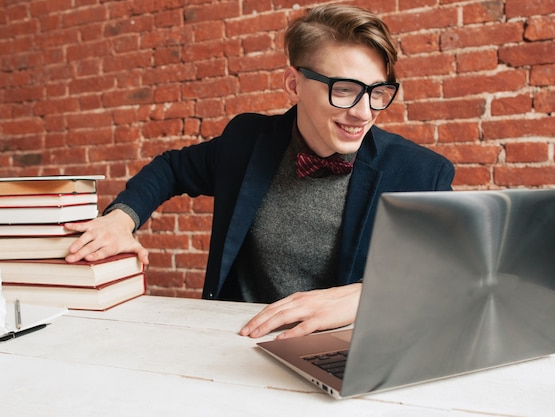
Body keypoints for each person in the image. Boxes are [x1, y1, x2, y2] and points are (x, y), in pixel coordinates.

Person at [65, 4, 454, 340]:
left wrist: (367, 296)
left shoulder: (422, 173)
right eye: (344, 89)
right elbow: (172, 168)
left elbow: (454, 281)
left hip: (349, 356)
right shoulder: (246, 141)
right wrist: (120, 219)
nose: (364, 112)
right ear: (294, 84)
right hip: (237, 343)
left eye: (378, 92)